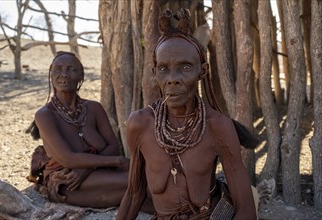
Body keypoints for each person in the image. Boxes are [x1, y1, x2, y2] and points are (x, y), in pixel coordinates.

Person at [117, 9, 258, 219]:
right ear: (155, 74)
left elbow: (245, 207)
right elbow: (134, 194)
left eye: (185, 67)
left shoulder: (217, 126)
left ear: (202, 71)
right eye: (164, 69)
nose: (172, 79)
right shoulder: (140, 124)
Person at [26, 51, 129, 208]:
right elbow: (67, 159)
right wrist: (118, 161)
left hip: (95, 174)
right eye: (58, 69)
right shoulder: (45, 115)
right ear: (51, 74)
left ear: (81, 76)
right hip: (69, 182)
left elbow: (113, 146)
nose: (64, 74)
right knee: (136, 181)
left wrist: (87, 169)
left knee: (147, 186)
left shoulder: (94, 108)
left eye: (71, 69)